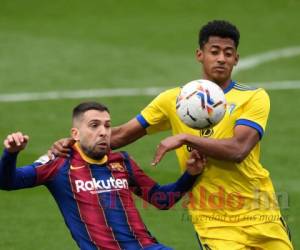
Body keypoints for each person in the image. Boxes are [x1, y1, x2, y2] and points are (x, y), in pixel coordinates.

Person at [50, 20, 294, 249]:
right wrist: (73, 143)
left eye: (228, 53)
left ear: (236, 59)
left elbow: (239, 150)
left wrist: (186, 138)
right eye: (214, 51)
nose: (221, 59)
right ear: (200, 54)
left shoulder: (253, 97)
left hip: (261, 211)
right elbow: (122, 134)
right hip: (213, 219)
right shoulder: (173, 100)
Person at [0, 101, 205, 250]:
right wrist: (11, 154)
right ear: (75, 134)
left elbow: (162, 200)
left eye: (107, 125)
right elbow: (7, 182)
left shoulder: (122, 161)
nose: (103, 132)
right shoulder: (58, 162)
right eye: (94, 125)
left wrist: (190, 175)